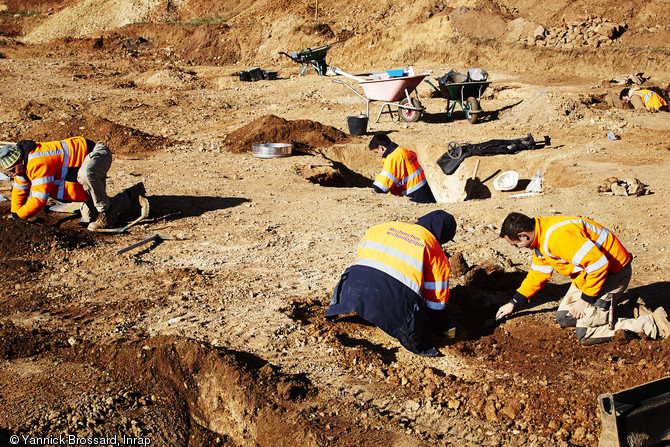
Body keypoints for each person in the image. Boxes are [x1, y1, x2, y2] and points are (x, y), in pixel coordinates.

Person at [496, 212, 670, 345]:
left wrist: (585, 299)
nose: (518, 249)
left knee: (585, 333)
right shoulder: (540, 236)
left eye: (516, 244)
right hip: (588, 276)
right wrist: (514, 302)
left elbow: (599, 264)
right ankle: (630, 310)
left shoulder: (557, 237)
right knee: (565, 317)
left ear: (522, 236)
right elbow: (538, 274)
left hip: (612, 274)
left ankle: (652, 323)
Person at [325, 210, 457, 356]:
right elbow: (436, 304)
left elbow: (362, 253)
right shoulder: (434, 249)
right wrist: (445, 327)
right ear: (442, 236)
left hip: (350, 290)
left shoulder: (384, 227)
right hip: (394, 307)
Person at [0, 137, 146, 231]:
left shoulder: (37, 162)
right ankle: (132, 196)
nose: (13, 174)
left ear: (20, 160)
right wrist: (15, 214)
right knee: (89, 219)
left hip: (96, 155)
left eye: (13, 170)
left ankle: (107, 213)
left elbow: (39, 199)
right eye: (9, 172)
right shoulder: (22, 168)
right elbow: (20, 190)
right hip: (80, 168)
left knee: (86, 174)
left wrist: (20, 216)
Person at [369, 133, 436, 203]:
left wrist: (371, 192)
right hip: (424, 189)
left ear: (380, 147)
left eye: (377, 152)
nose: (379, 155)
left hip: (415, 195)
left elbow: (382, 184)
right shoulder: (403, 151)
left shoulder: (393, 157)